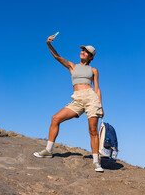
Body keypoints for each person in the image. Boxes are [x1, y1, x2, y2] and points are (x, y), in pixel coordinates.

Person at [33, 34, 105, 172]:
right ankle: (48, 150)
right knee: (55, 118)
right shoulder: (72, 66)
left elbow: (97, 88)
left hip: (91, 98)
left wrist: (101, 106)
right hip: (77, 99)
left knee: (93, 131)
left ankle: (96, 162)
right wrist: (49, 44)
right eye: (82, 50)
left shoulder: (94, 70)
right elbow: (57, 57)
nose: (83, 52)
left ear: (91, 57)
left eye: (87, 52)